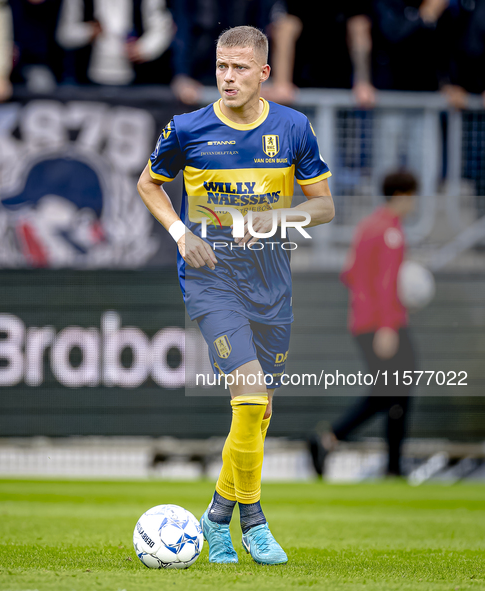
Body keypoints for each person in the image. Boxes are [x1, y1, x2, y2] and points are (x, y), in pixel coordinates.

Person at [137, 26, 334, 565]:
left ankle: (217, 515)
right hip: (211, 276)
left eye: (240, 68)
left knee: (259, 412)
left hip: (272, 281)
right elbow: (148, 184)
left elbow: (323, 207)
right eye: (222, 66)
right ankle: (253, 522)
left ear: (263, 72)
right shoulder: (188, 128)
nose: (227, 77)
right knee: (248, 398)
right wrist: (182, 235)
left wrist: (273, 218)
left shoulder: (293, 128)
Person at [309, 170, 418, 479]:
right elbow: (385, 282)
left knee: (393, 391)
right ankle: (334, 440)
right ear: (402, 195)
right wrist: (387, 325)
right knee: (393, 391)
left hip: (364, 321)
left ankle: (339, 444)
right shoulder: (390, 232)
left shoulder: (369, 226)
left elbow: (351, 273)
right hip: (383, 323)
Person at [266, 1, 375, 108]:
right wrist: (281, 83)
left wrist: (363, 83)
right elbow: (285, 29)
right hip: (299, 84)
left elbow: (359, 29)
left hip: (344, 82)